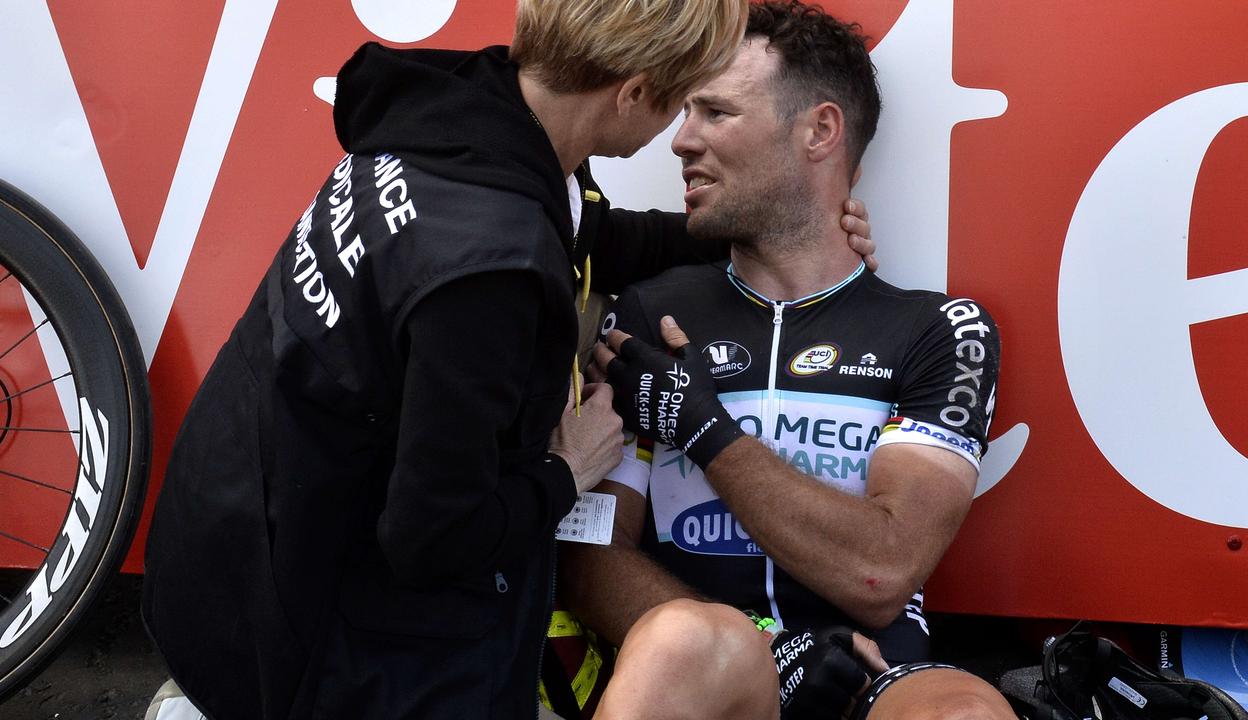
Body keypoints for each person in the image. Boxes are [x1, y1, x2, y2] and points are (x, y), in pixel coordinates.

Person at [140, 0, 877, 718]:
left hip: (225, 536)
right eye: (680, 104)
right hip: (300, 641)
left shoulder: (469, 119)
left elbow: (585, 230)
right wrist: (566, 470)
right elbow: (434, 537)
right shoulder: (490, 270)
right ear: (633, 94)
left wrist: (748, 229)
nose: (681, 136)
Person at [564, 2, 1014, 718]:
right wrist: (765, 649)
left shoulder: (938, 329)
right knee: (686, 640)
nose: (681, 140)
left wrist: (705, 430)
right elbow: (586, 557)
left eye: (716, 113)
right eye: (686, 113)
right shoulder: (647, 314)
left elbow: (883, 570)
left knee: (965, 713)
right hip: (704, 663)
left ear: (820, 131)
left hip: (873, 670)